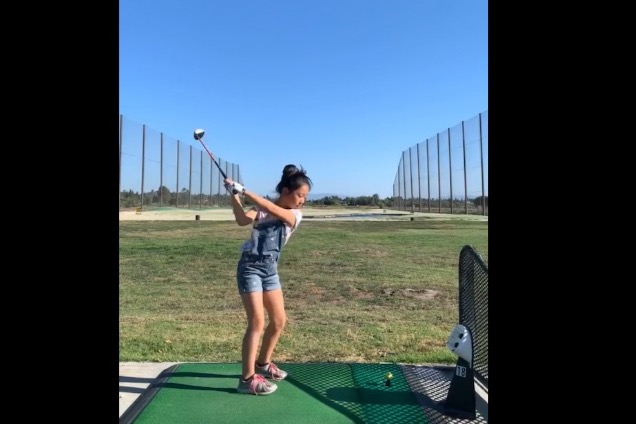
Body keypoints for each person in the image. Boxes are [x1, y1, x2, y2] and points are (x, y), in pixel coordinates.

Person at [224, 164, 313, 396]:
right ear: (285, 191)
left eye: (305, 196)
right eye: (300, 195)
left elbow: (270, 207)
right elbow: (242, 220)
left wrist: (243, 189)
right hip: (250, 269)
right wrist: (235, 195)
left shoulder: (295, 215)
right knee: (257, 322)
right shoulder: (261, 209)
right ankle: (247, 379)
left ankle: (263, 364)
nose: (303, 200)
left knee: (279, 321)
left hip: (270, 271)